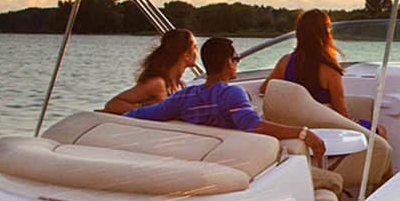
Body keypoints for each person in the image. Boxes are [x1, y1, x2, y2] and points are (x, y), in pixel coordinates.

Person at [128, 37, 327, 160]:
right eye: (236, 59)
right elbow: (254, 126)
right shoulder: (231, 94)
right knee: (333, 182)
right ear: (228, 63)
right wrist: (302, 133)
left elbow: (140, 115)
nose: (237, 64)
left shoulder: (184, 97)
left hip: (208, 157)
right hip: (244, 161)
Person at [258, 9, 384, 135]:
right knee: (381, 131)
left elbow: (265, 89)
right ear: (325, 33)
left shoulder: (284, 62)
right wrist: (353, 122)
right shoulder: (330, 69)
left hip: (295, 127)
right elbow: (341, 113)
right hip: (325, 128)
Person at [103, 28, 198, 114]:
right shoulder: (158, 84)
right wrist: (147, 109)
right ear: (186, 55)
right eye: (195, 47)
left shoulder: (181, 86)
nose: (197, 52)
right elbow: (112, 104)